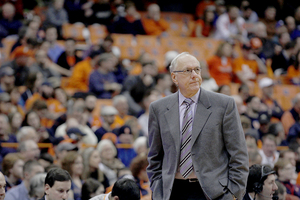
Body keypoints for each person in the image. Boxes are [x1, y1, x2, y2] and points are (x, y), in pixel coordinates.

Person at [147, 52, 249, 200]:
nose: (194, 75)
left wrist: (234, 193)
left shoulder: (224, 104)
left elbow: (238, 153)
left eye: (197, 69)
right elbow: (154, 157)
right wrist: (157, 190)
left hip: (214, 192)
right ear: (174, 77)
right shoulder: (158, 108)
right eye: (188, 71)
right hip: (172, 191)